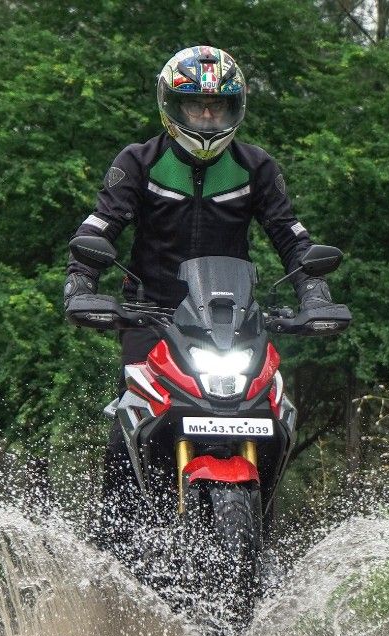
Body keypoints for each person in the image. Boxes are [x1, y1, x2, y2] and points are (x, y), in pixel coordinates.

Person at [62, 45, 337, 548]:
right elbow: (101, 225)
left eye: (219, 105)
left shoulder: (256, 167)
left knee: (274, 417)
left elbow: (291, 237)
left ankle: (261, 544)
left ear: (236, 108)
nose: (208, 116)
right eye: (196, 105)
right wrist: (80, 283)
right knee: (130, 420)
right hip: (151, 315)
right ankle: (114, 548)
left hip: (231, 318)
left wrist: (314, 293)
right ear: (172, 106)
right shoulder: (138, 162)